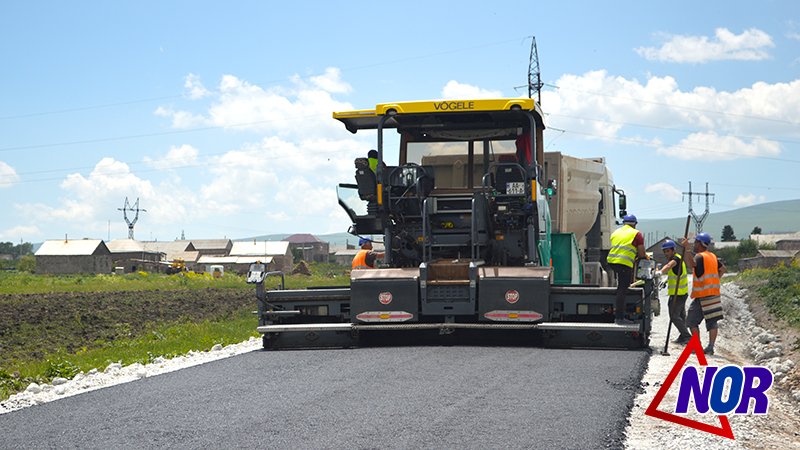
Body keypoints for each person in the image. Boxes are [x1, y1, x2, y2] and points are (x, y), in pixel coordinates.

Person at [681, 232, 726, 355]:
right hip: (714, 293)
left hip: (703, 295)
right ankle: (710, 347)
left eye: (695, 242)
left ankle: (697, 346)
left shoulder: (700, 256)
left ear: (700, 243)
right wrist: (715, 280)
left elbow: (691, 265)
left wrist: (686, 249)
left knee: (691, 321)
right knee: (712, 322)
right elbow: (722, 269)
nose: (694, 244)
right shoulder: (712, 256)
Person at [606, 214, 648, 324]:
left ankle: (619, 310)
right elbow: (642, 253)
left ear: (624, 223)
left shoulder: (616, 232)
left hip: (611, 261)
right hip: (623, 263)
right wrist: (643, 257)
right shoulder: (636, 234)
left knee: (622, 285)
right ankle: (619, 318)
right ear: (635, 224)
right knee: (622, 289)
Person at [658, 240, 691, 345]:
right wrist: (666, 280)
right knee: (681, 316)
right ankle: (683, 336)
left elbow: (668, 266)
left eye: (667, 251)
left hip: (678, 294)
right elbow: (675, 274)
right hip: (681, 293)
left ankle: (687, 337)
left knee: (674, 316)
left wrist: (659, 272)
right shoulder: (677, 259)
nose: (665, 253)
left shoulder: (676, 259)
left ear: (673, 250)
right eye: (664, 251)